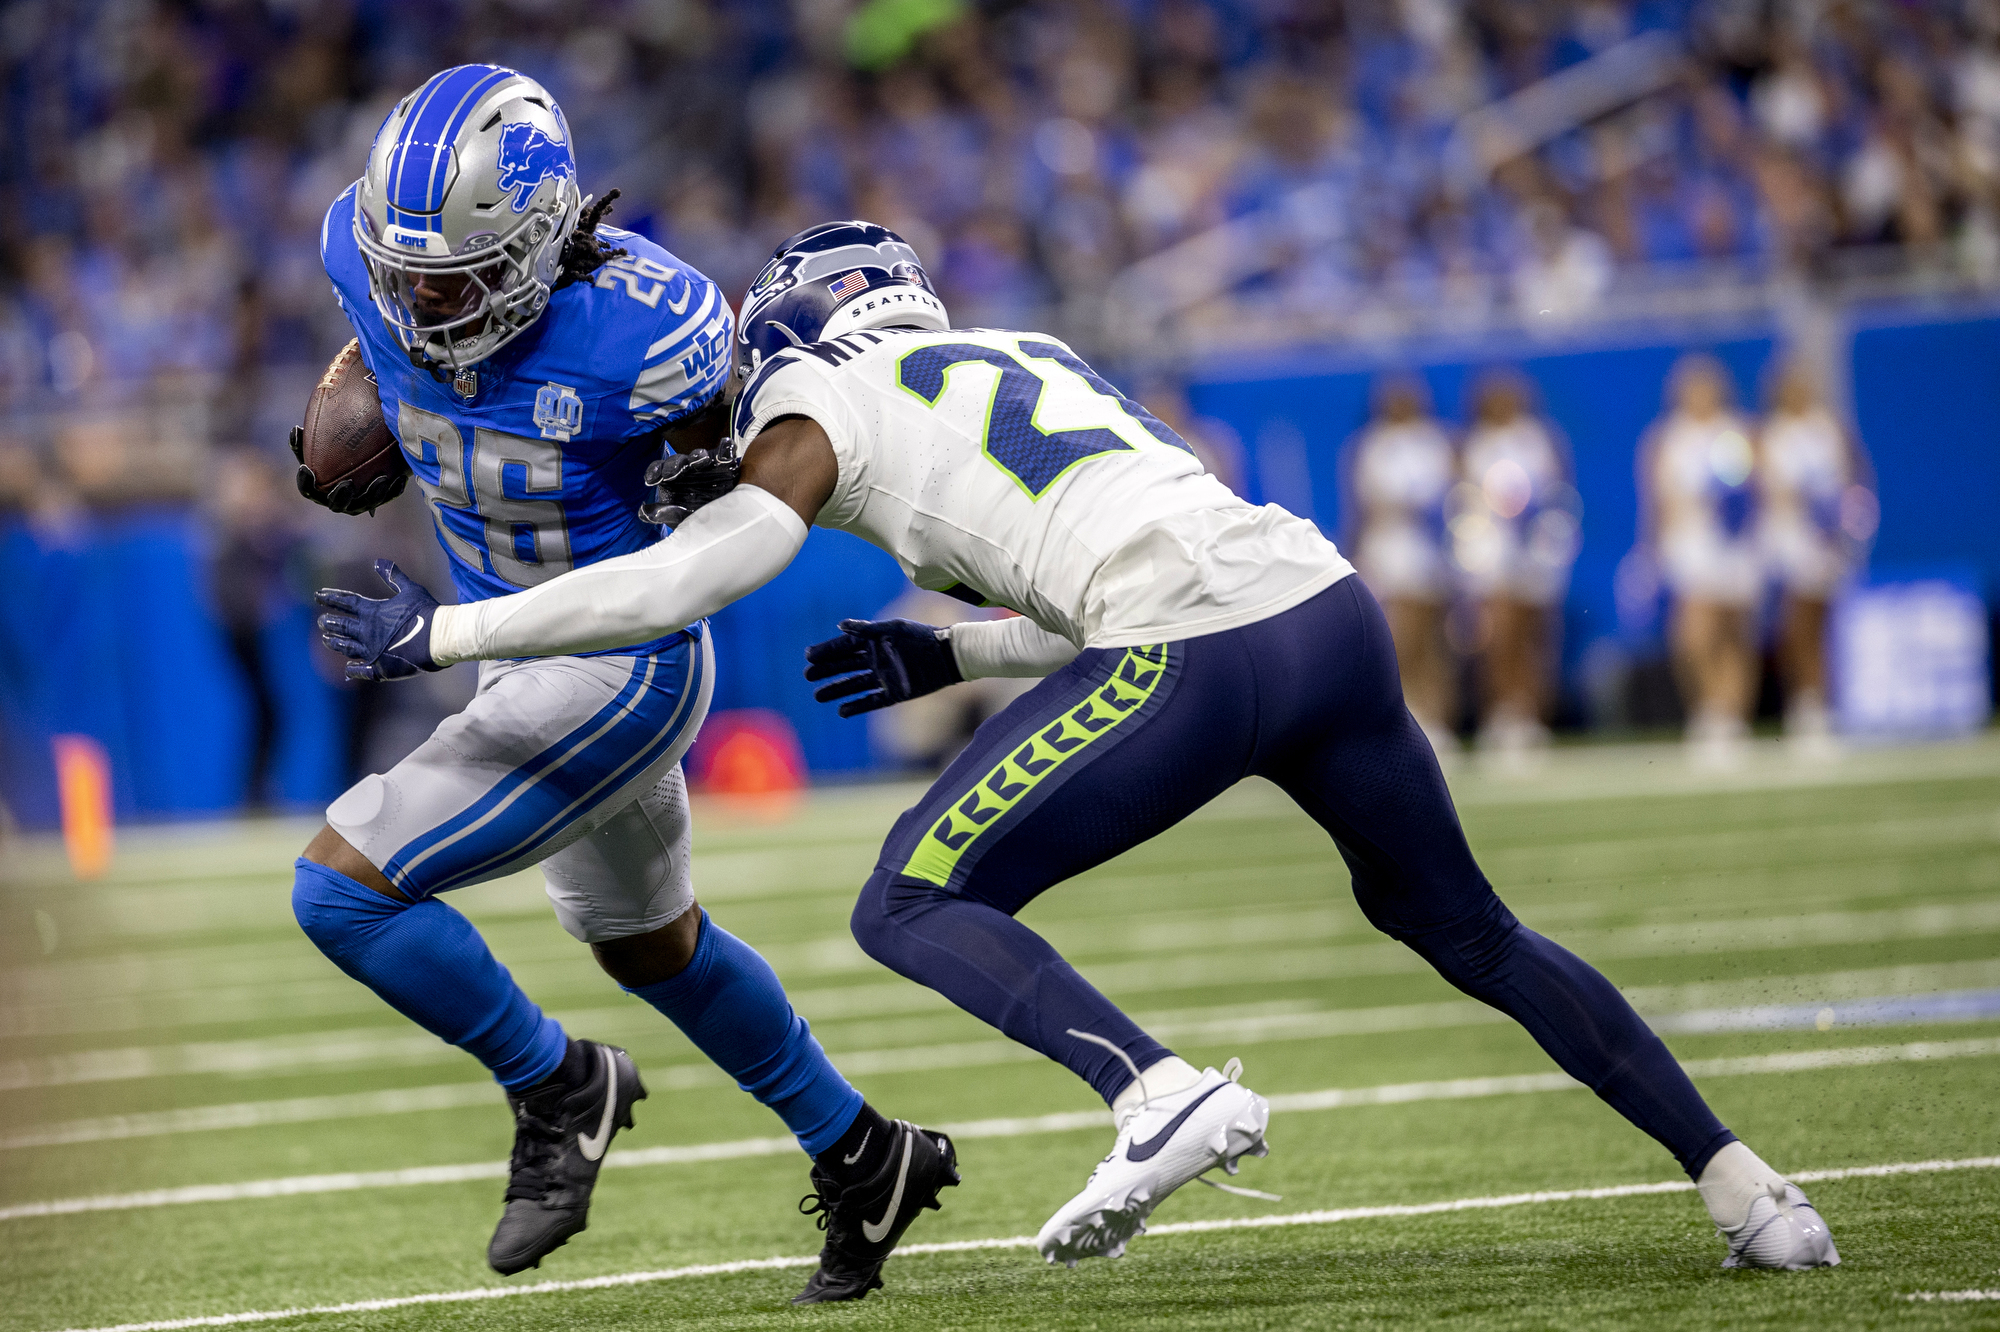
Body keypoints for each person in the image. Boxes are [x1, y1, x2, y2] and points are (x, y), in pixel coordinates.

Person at [315, 220, 1840, 1274]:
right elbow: (1102, 562)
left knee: (905, 903)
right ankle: (1747, 1187)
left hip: (1193, 646)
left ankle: (1156, 1091)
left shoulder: (817, 395)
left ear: (802, 316)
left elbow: (692, 576)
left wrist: (444, 638)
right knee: (1476, 932)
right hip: (1326, 614)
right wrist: (956, 651)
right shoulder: (1029, 350)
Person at [291, 70, 953, 1304]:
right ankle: (864, 1153)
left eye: (454, 279)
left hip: (620, 663)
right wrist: (349, 404)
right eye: (403, 275)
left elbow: (726, 509)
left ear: (542, 244)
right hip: (510, 648)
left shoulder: (653, 331)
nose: (422, 304)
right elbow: (380, 335)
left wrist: (693, 471)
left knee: (342, 896)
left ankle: (556, 1083)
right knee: (651, 944)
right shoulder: (368, 252)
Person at [1451, 371, 1580, 757]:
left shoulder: (1539, 439)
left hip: (1536, 551)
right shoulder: (1472, 444)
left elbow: (1558, 493)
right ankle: (1502, 713)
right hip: (1491, 553)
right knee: (1498, 636)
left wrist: (1549, 542)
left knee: (1533, 640)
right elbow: (1463, 501)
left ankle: (1532, 717)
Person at [1639, 355, 1761, 763]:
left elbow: (1755, 492)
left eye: (1706, 386)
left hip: (1734, 546)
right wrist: (1649, 551)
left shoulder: (1738, 432)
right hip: (1689, 546)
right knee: (1693, 635)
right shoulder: (1666, 437)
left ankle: (1732, 716)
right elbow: (1655, 503)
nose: (1699, 395)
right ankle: (1710, 710)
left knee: (1734, 634)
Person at [1758, 361, 1872, 745]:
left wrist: (1846, 521)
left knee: (1821, 624)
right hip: (1788, 539)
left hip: (1827, 538)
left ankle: (1821, 702)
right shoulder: (1771, 433)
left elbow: (1854, 479)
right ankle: (1807, 702)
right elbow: (1767, 491)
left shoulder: (1828, 428)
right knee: (1795, 627)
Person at [1345, 375, 1457, 753]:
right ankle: (1408, 717)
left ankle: (1437, 717)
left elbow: (1453, 495)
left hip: (1430, 550)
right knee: (1399, 639)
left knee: (1432, 640)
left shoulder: (1436, 441)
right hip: (1390, 550)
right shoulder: (1371, 446)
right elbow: (1361, 506)